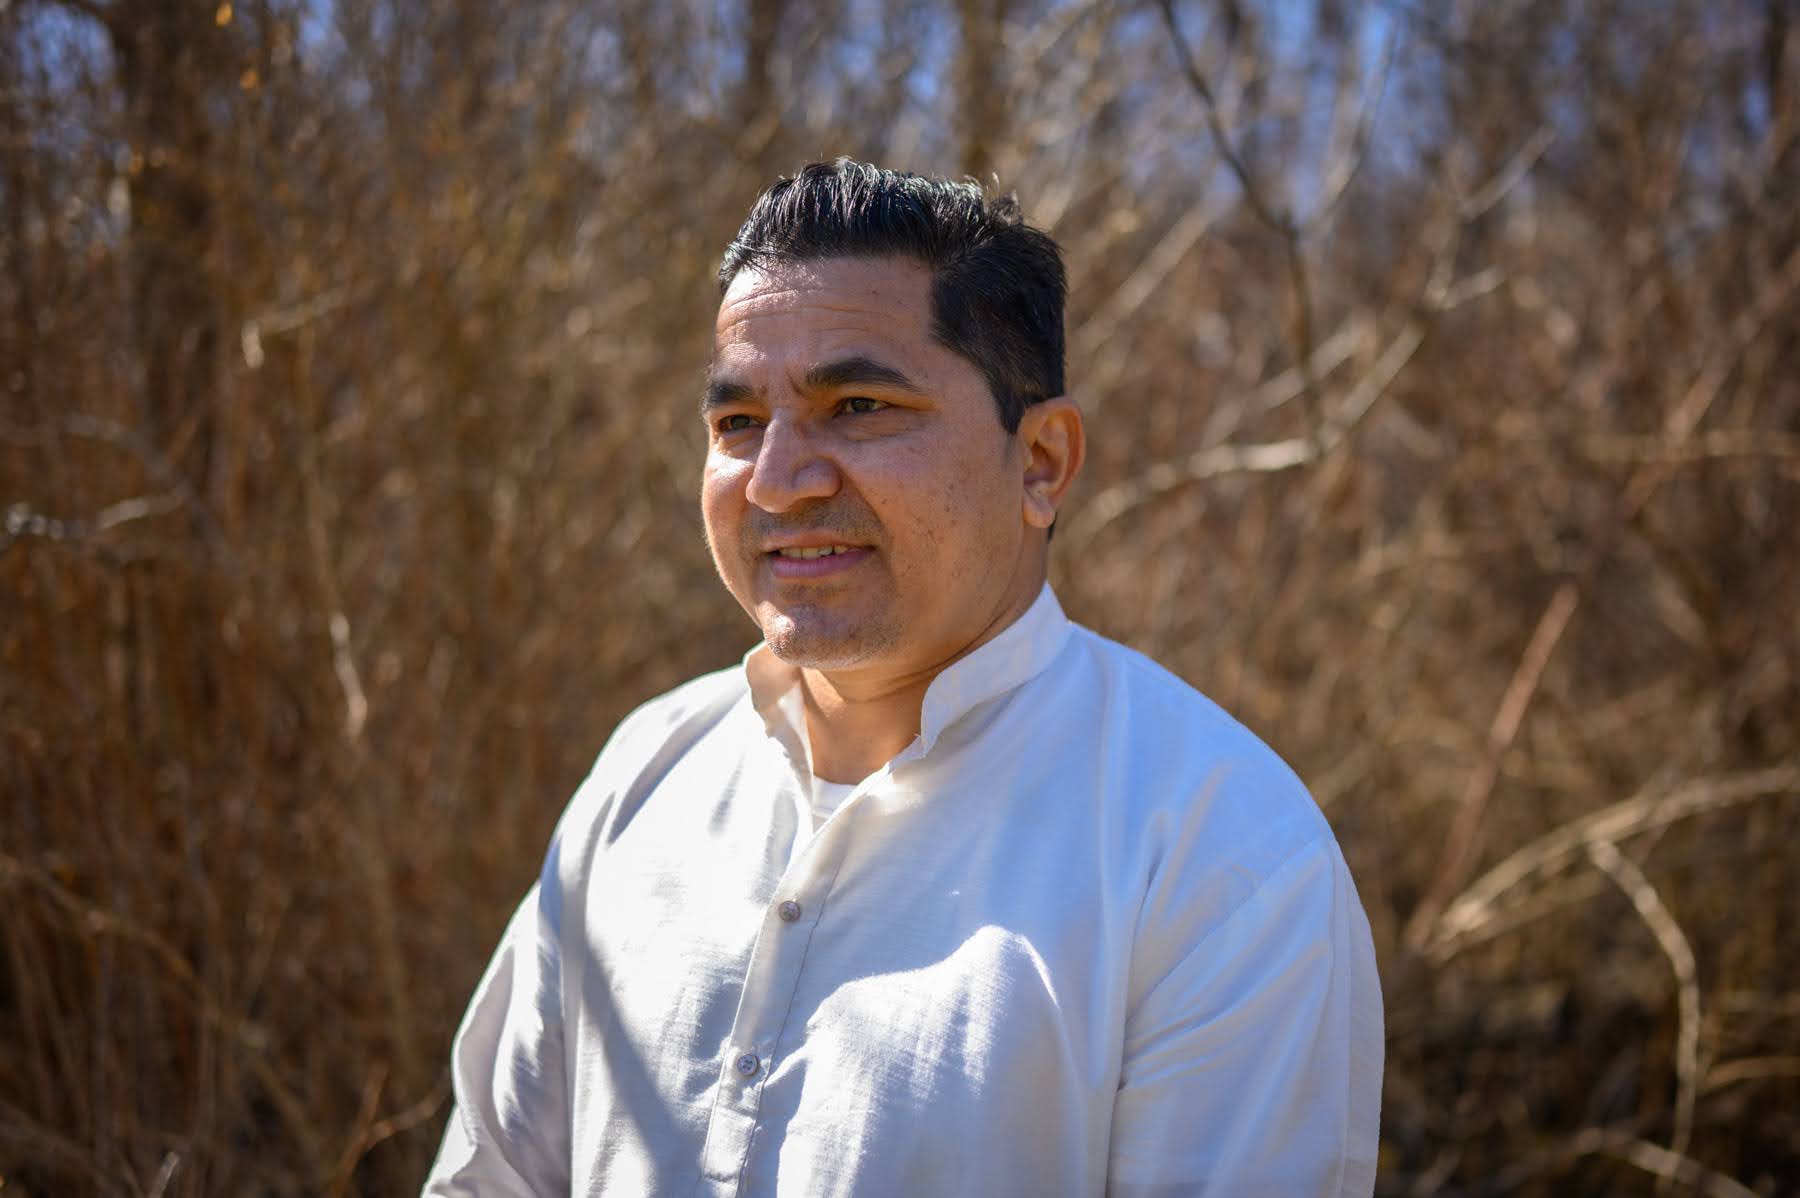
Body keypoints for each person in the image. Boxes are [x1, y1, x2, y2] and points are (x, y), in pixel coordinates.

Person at [423, 159, 1383, 1197]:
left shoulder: (1218, 853)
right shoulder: (644, 776)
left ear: (1043, 462)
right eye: (738, 424)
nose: (780, 481)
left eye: (859, 404)